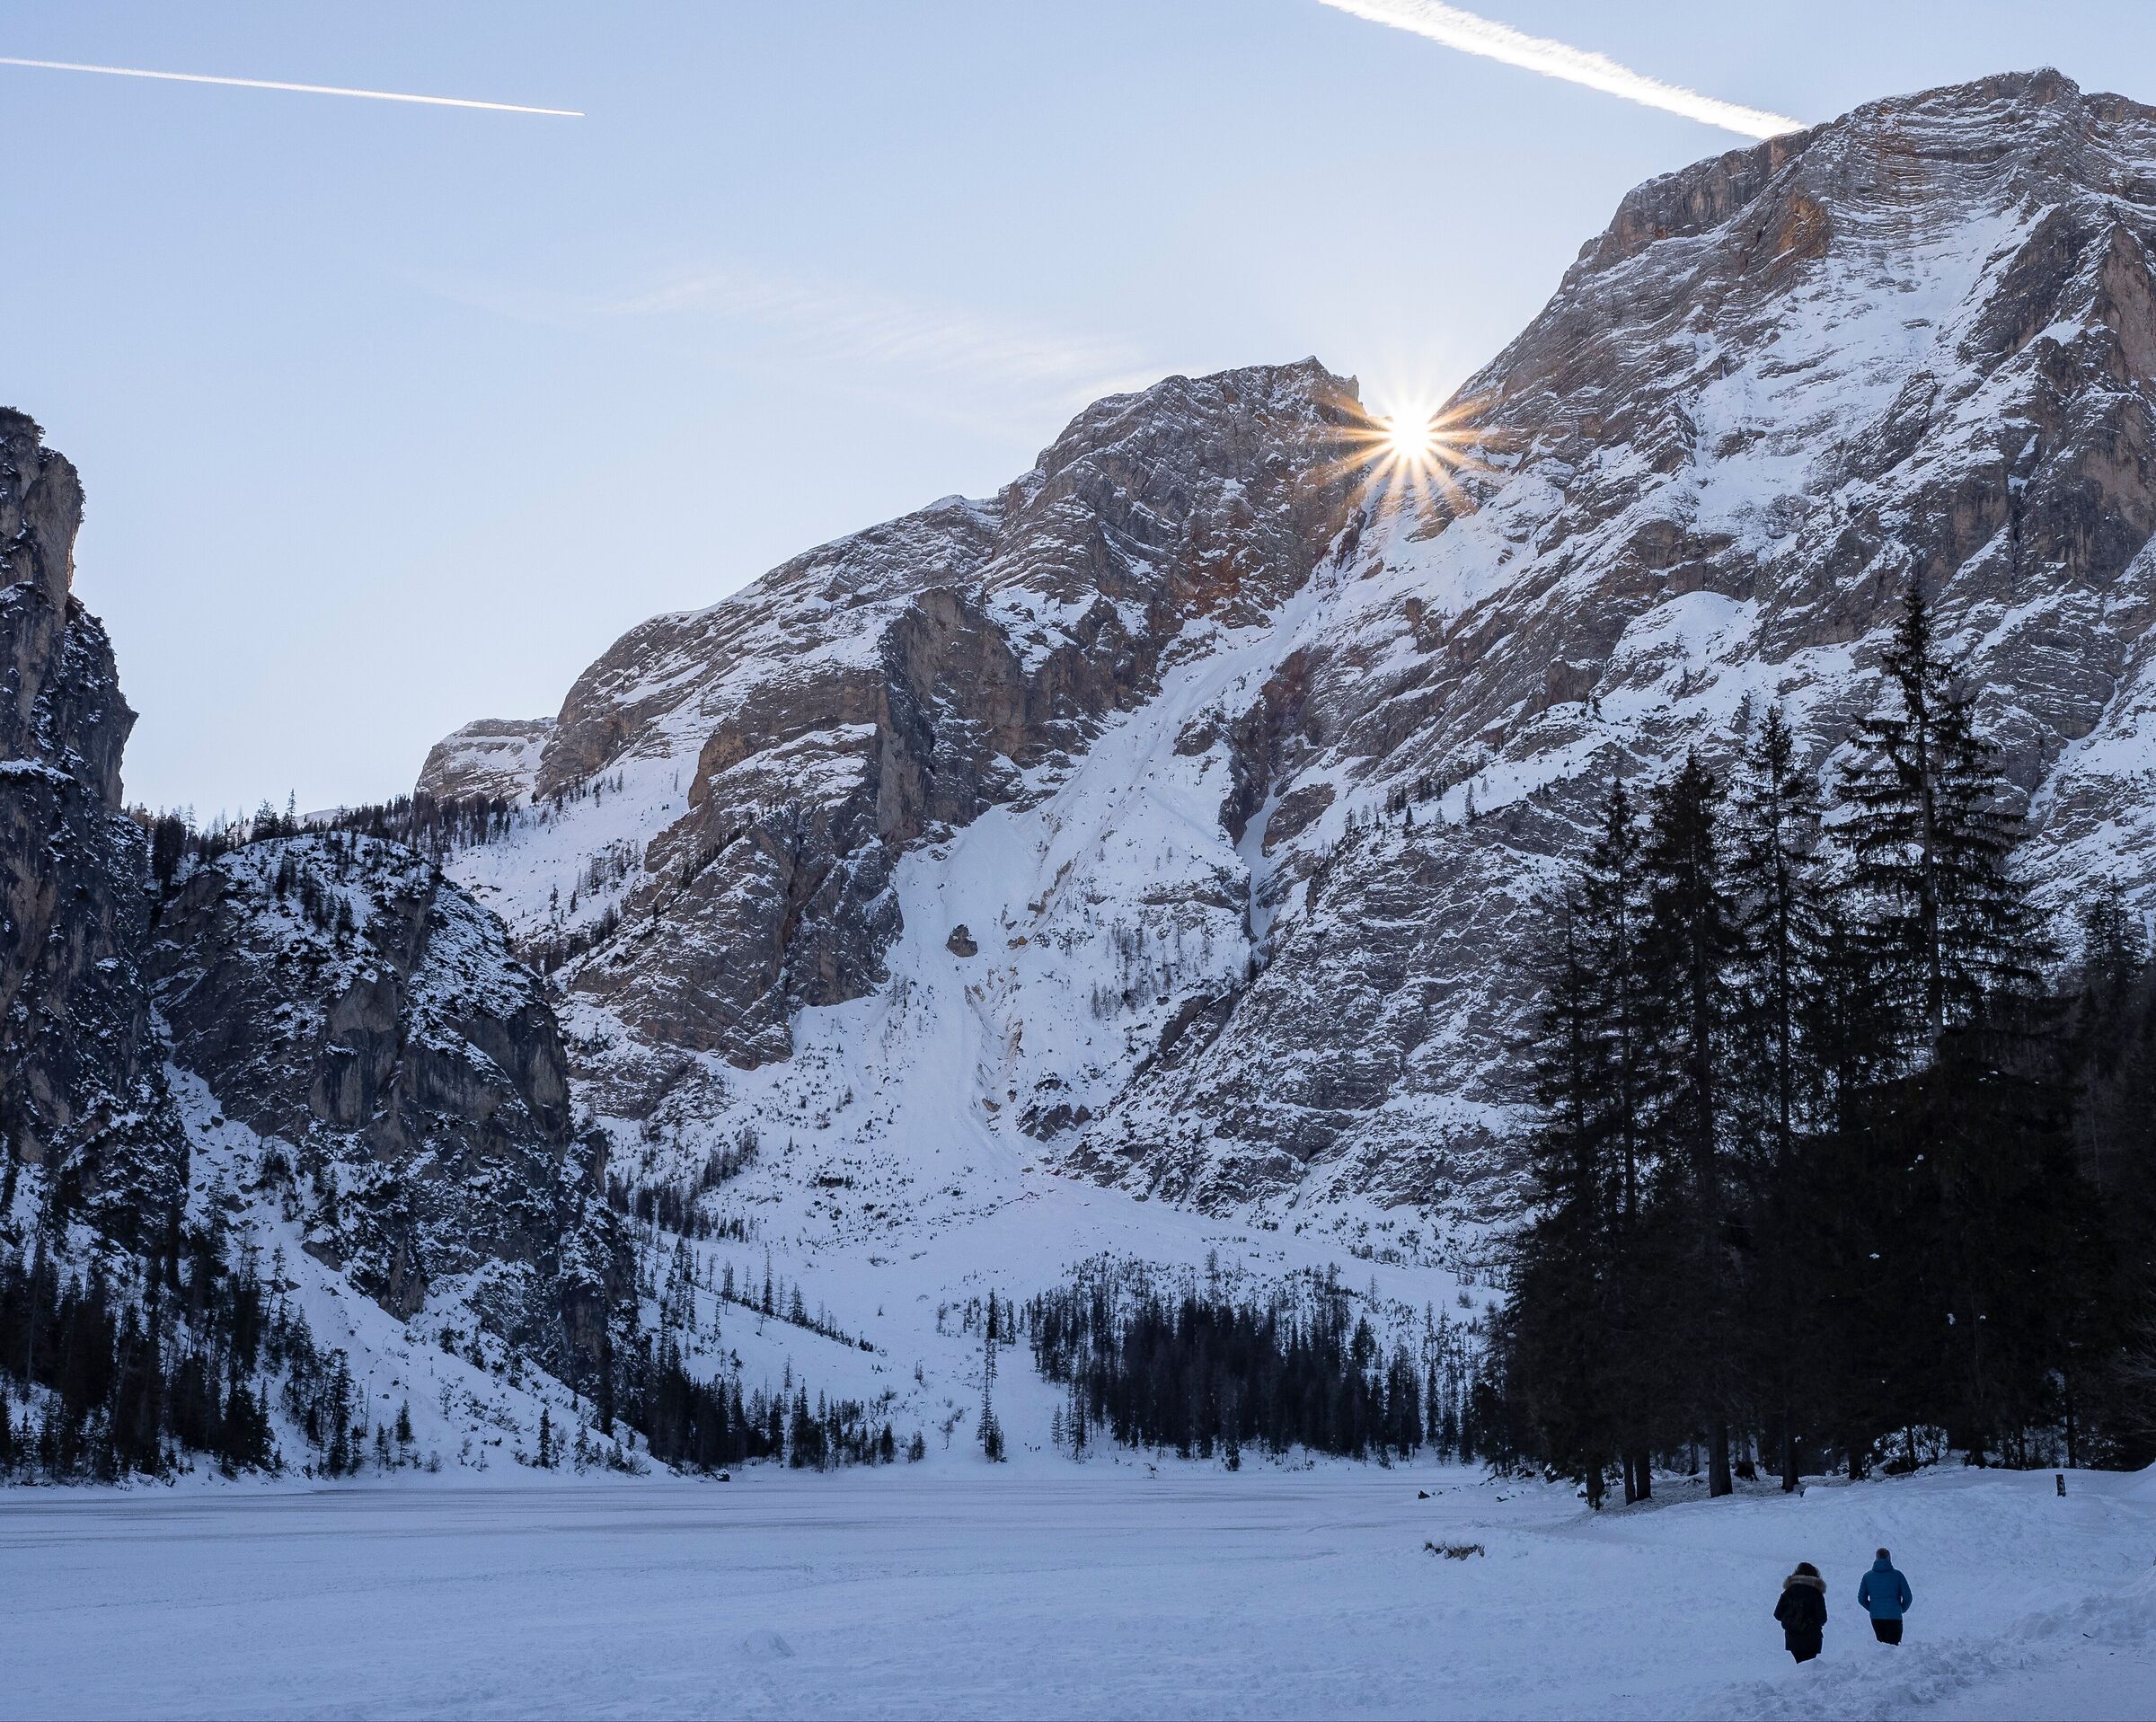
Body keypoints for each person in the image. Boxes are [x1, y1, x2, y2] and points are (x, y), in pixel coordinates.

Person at [1774, 1561, 1829, 1663]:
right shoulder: (1816, 1593)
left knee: (1801, 1667)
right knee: (1809, 1667)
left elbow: (1777, 1614)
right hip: (1812, 1638)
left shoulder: (1789, 1591)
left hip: (1793, 1638)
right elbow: (1822, 1618)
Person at [1858, 1548, 1913, 1644]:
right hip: (1894, 1615)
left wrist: (1873, 1608)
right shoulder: (1898, 1575)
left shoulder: (1867, 1576)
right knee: (1893, 1648)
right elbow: (1908, 1596)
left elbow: (1861, 1599)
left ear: (1876, 1558)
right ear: (1889, 1558)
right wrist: (1901, 1609)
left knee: (1882, 1647)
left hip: (1876, 1616)